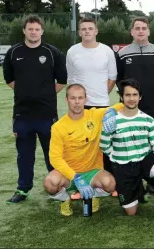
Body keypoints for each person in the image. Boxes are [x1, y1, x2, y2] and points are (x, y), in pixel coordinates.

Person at [3, 15, 67, 204]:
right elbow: (9, 79)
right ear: (24, 30)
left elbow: (62, 81)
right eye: (30, 29)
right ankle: (23, 189)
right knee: (24, 154)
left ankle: (55, 187)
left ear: (42, 31)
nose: (33, 32)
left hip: (47, 114)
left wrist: (44, 94)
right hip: (22, 115)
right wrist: (26, 92)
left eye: (37, 29)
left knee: (52, 154)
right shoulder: (14, 52)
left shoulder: (51, 52)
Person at [42, 84, 121, 216]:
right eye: (73, 98)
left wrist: (112, 112)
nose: (77, 102)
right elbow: (55, 158)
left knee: (110, 184)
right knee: (50, 183)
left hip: (92, 172)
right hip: (68, 174)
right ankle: (65, 198)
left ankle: (92, 195)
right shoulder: (58, 127)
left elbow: (122, 106)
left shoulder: (95, 115)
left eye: (80, 98)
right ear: (67, 100)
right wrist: (75, 177)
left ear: (86, 99)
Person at [99, 78, 154, 219]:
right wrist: (115, 155)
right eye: (128, 95)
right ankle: (138, 190)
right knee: (131, 212)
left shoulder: (148, 120)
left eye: (134, 95)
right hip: (123, 167)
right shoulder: (112, 120)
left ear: (140, 97)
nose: (131, 99)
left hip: (144, 161)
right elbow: (104, 145)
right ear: (121, 97)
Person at [116, 16, 154, 196]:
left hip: (151, 104)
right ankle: (134, 179)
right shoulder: (122, 53)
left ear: (148, 31)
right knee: (130, 139)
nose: (140, 31)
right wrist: (129, 98)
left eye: (143, 28)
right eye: (137, 28)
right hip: (129, 106)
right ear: (131, 31)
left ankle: (152, 180)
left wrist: (153, 95)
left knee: (151, 141)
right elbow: (119, 79)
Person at [66, 17, 118, 199]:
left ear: (96, 31)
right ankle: (79, 183)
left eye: (90, 28)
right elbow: (71, 80)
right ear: (79, 32)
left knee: (105, 144)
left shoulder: (106, 51)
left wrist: (101, 96)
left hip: (102, 105)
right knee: (82, 145)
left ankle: (110, 181)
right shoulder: (73, 51)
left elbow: (112, 77)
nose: (87, 31)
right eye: (83, 29)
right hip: (80, 106)